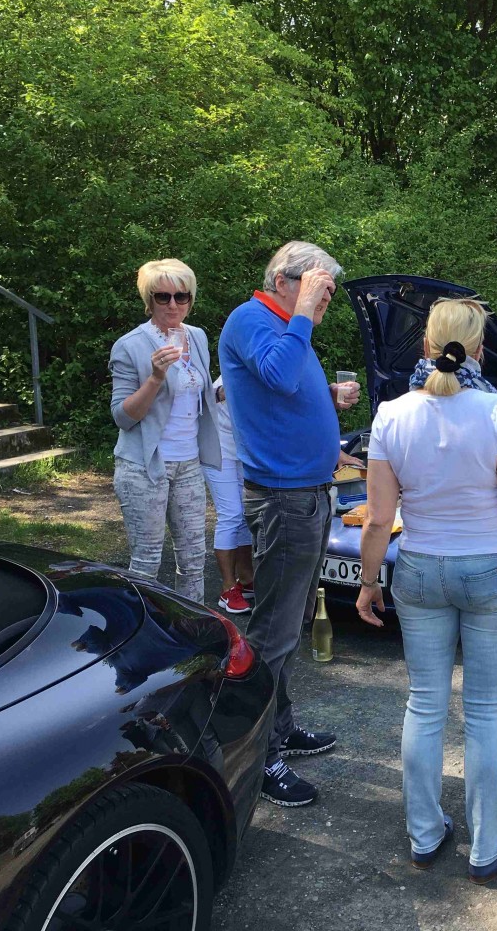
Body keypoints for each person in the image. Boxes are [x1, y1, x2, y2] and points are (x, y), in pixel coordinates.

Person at [355, 298, 497, 884]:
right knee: (485, 713)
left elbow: (378, 519)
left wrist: (367, 582)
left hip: (419, 568)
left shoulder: (391, 414)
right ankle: (487, 847)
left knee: (425, 704)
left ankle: (425, 833)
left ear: (425, 346)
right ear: (479, 349)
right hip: (492, 569)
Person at [218, 240, 363, 808]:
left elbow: (279, 389)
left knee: (292, 624)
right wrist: (302, 313)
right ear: (285, 280)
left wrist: (328, 395)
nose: (326, 298)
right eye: (319, 286)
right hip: (282, 499)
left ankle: (280, 727)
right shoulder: (252, 319)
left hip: (309, 494)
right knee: (272, 635)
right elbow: (278, 376)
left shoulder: (283, 325)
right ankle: (258, 757)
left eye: (327, 290)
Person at [109, 258, 221, 604]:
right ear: (149, 300)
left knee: (194, 558)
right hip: (145, 466)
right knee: (147, 562)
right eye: (163, 296)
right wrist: (156, 378)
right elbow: (123, 417)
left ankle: (192, 627)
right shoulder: (130, 345)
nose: (173, 304)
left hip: (189, 463)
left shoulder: (197, 337)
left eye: (181, 296)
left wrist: (223, 392)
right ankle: (144, 629)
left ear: (190, 299)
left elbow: (198, 393)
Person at [202, 376, 255, 613]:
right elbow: (210, 397)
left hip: (242, 450)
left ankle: (247, 578)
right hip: (217, 450)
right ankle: (227, 588)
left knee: (245, 513)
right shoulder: (231, 376)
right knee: (230, 514)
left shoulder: (264, 372)